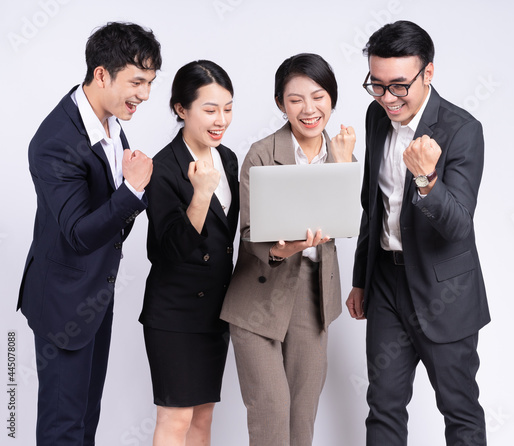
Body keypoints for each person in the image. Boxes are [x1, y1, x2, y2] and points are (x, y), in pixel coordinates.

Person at [346, 20, 491, 446]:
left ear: (428, 73)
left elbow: (458, 224)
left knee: (460, 411)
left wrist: (428, 179)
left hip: (444, 290)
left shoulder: (462, 130)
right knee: (384, 409)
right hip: (387, 283)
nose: (388, 98)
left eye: (398, 86)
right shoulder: (376, 116)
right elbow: (372, 206)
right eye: (377, 85)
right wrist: (360, 278)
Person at [17, 22, 161, 445]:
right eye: (137, 82)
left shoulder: (111, 122)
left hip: (96, 294)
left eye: (150, 83)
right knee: (63, 428)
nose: (145, 95)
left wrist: (136, 192)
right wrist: (134, 189)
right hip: (63, 304)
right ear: (102, 74)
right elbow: (79, 232)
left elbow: (112, 214)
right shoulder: (55, 141)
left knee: (86, 421)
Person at [220, 53, 356, 446]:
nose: (309, 109)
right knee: (271, 415)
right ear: (281, 103)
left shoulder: (341, 150)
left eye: (318, 96)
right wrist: (288, 247)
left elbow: (349, 224)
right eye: (295, 99)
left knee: (303, 416)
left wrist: (343, 165)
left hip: (313, 297)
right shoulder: (261, 154)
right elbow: (249, 232)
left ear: (332, 98)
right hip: (259, 297)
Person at [140, 60, 239, 445]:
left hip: (215, 310)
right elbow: (168, 251)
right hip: (175, 314)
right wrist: (200, 195)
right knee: (175, 419)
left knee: (202, 419)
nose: (221, 119)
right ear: (182, 109)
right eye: (210, 109)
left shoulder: (227, 158)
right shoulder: (162, 168)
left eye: (228, 108)